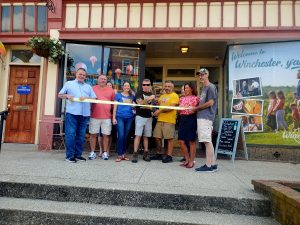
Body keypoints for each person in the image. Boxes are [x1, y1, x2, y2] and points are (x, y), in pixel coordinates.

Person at [58, 68, 97, 163]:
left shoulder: (88, 87)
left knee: (81, 135)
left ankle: (78, 155)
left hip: (84, 115)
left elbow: (95, 98)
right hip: (72, 113)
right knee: (70, 135)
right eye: (80, 74)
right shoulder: (69, 84)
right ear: (76, 74)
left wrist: (87, 98)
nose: (82, 76)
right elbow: (60, 95)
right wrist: (67, 96)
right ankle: (69, 156)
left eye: (84, 75)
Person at [193, 68, 218, 172]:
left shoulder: (211, 87)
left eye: (203, 74)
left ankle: (208, 166)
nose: (201, 77)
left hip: (205, 117)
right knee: (208, 141)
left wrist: (197, 108)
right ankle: (213, 164)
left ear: (207, 75)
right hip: (203, 117)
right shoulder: (204, 88)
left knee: (206, 141)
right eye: (199, 75)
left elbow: (211, 102)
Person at [151, 80, 179, 163]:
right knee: (156, 137)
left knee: (169, 139)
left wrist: (159, 111)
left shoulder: (175, 96)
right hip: (160, 119)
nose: (167, 88)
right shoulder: (162, 96)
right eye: (166, 86)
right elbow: (157, 105)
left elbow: (171, 108)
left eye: (169, 86)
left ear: (172, 87)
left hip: (169, 120)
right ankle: (159, 154)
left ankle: (169, 156)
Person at [88, 75, 115, 160]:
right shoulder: (93, 88)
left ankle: (105, 153)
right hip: (94, 116)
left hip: (107, 116)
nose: (103, 80)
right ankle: (92, 152)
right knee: (93, 135)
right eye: (101, 79)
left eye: (104, 79)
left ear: (106, 81)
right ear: (98, 80)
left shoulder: (111, 90)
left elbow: (114, 104)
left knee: (106, 135)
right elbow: (88, 100)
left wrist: (113, 115)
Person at [132, 79, 156, 163]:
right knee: (138, 135)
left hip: (149, 117)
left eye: (147, 84)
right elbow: (139, 103)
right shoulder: (139, 93)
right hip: (140, 116)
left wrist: (154, 111)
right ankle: (135, 154)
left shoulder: (152, 94)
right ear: (142, 85)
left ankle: (146, 153)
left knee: (146, 136)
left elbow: (153, 106)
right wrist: (149, 98)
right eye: (144, 84)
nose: (146, 86)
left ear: (150, 85)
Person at [178, 82, 199, 169]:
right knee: (181, 141)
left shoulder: (196, 98)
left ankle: (191, 161)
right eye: (185, 88)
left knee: (191, 141)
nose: (185, 90)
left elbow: (196, 110)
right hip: (183, 119)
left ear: (192, 89)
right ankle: (186, 159)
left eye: (187, 88)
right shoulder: (182, 99)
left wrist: (192, 110)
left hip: (191, 119)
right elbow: (179, 111)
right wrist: (180, 109)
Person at [113, 81, 135, 162]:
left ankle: (123, 154)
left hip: (129, 117)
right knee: (121, 135)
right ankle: (119, 154)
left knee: (126, 136)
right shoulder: (118, 95)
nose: (127, 87)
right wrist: (113, 118)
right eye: (125, 86)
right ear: (122, 87)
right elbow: (115, 107)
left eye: (128, 86)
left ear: (130, 87)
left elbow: (134, 106)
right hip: (120, 117)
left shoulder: (132, 96)